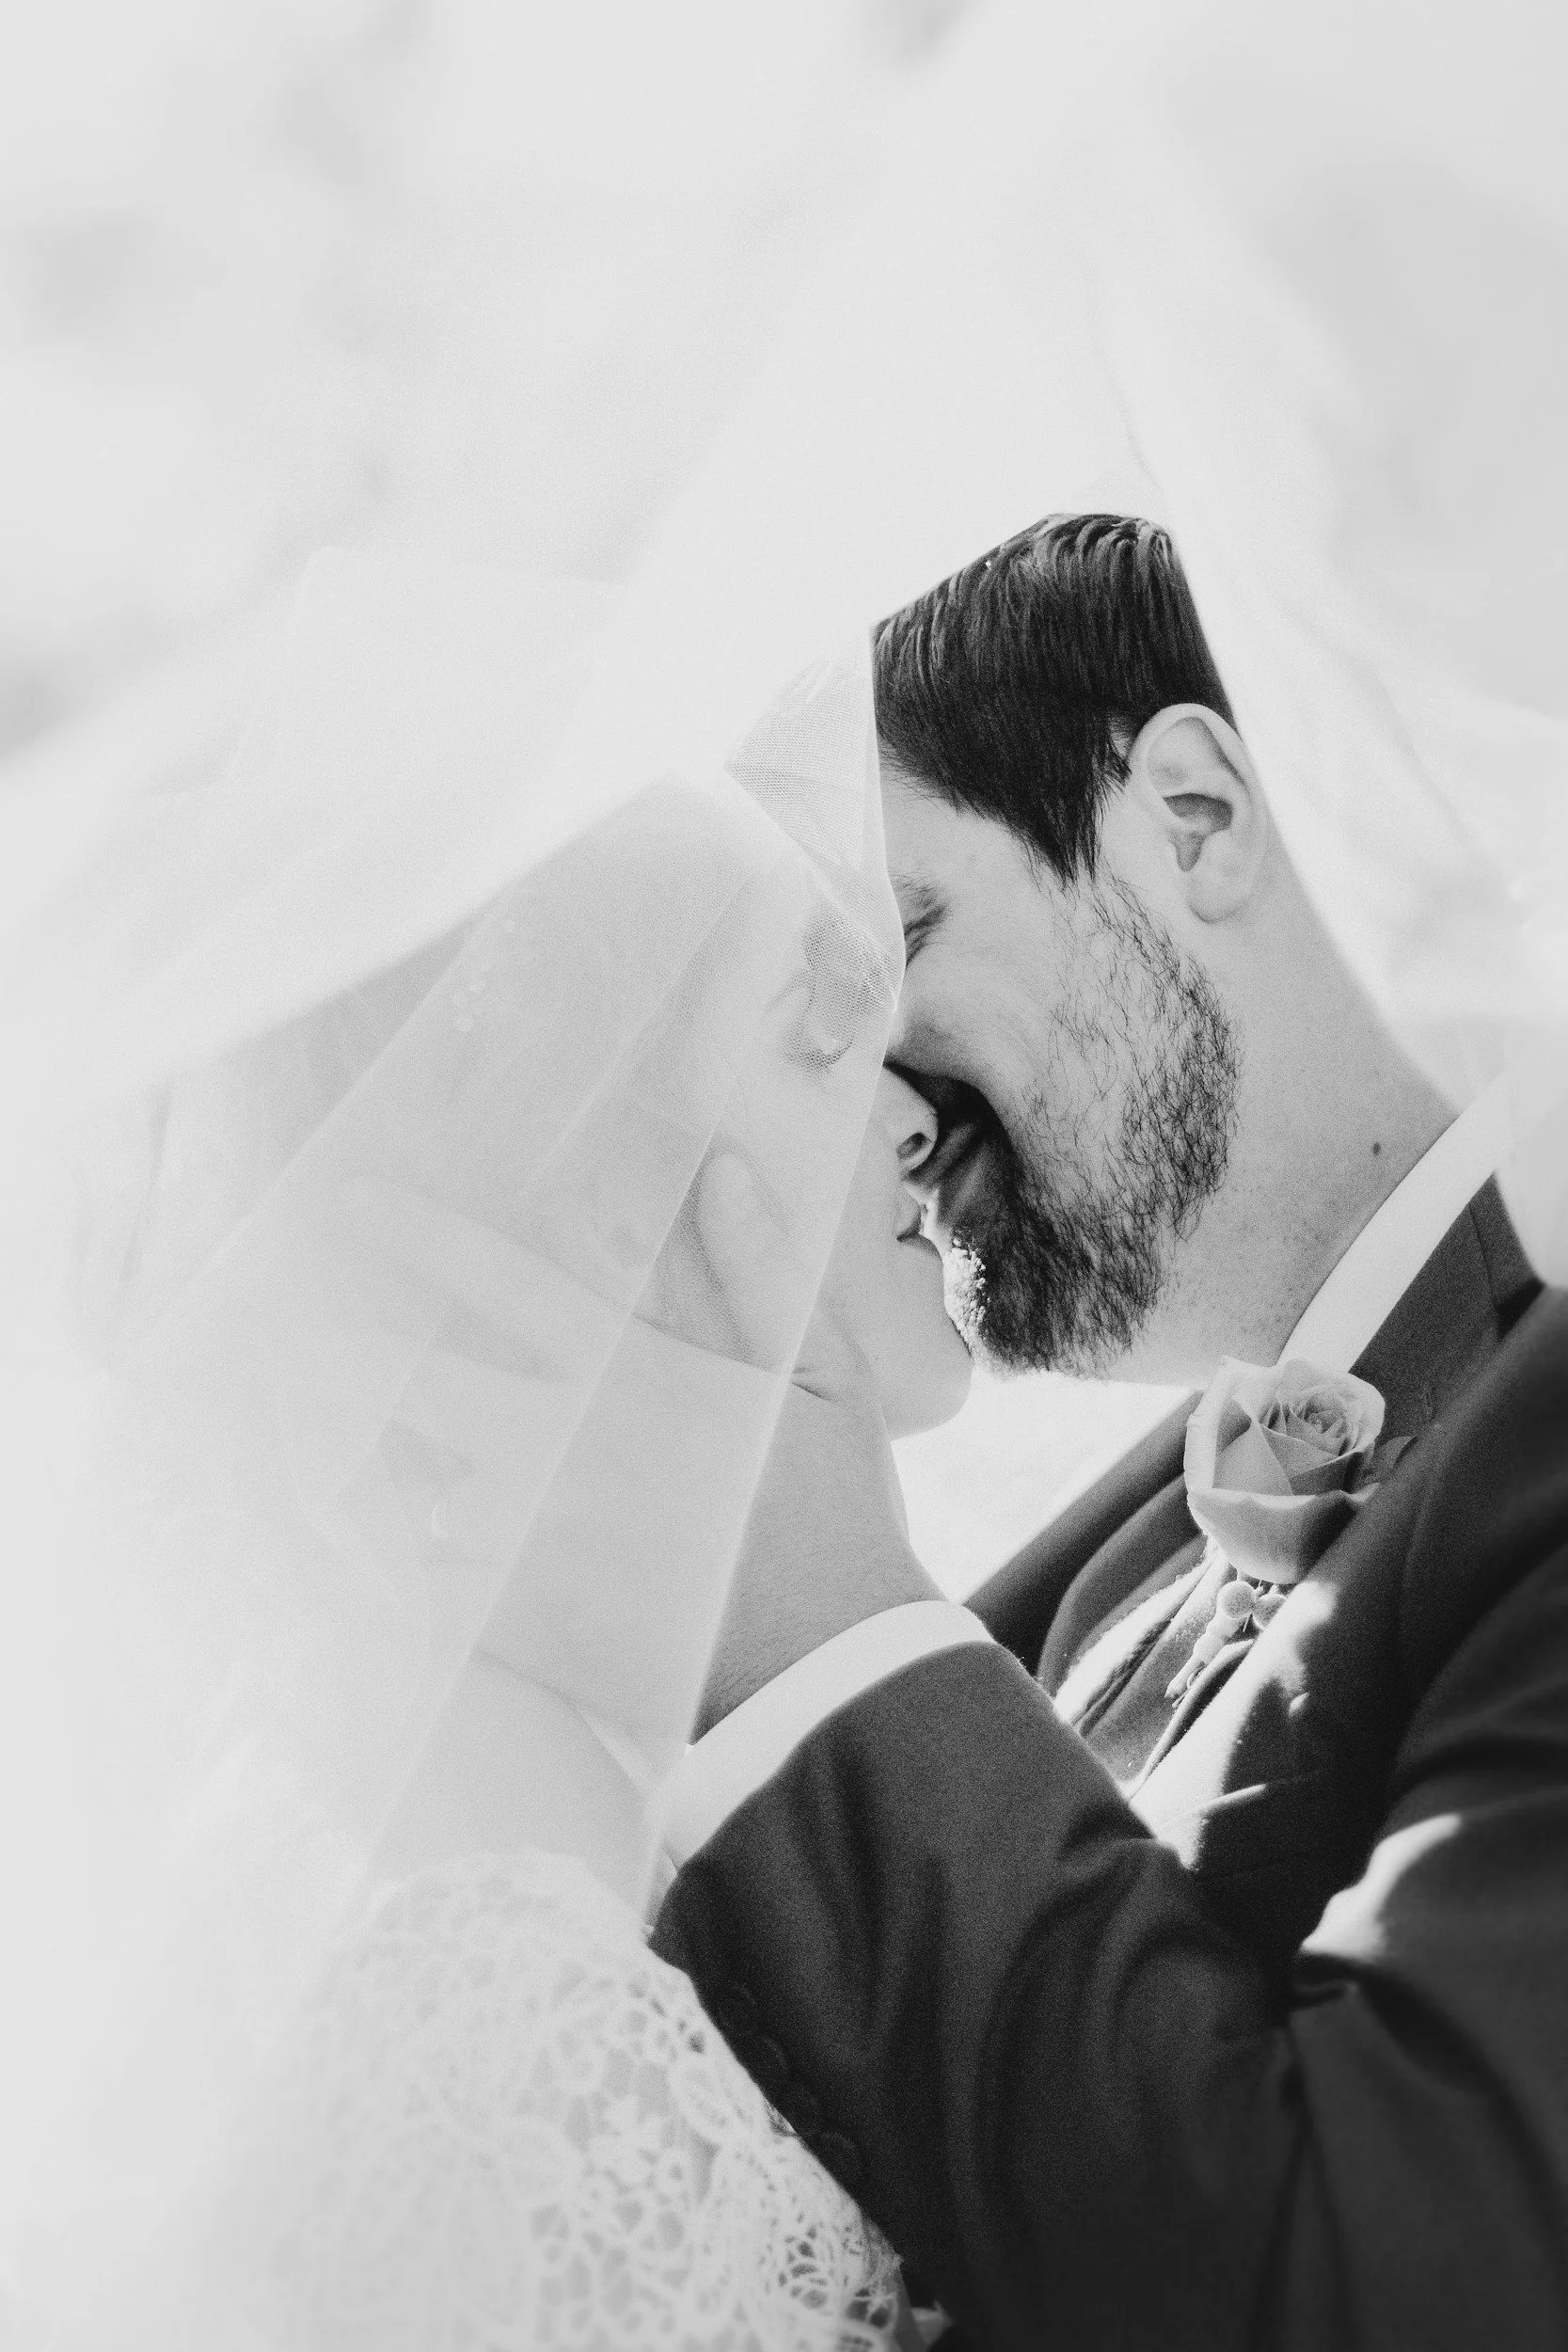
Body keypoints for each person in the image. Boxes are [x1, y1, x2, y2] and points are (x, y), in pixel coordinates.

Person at [650, 516, 1568, 2349]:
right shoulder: (1100, 1561)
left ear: (1193, 814)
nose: (886, 1109)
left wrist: (811, 1620)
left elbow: (1397, 2292)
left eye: (890, 949)